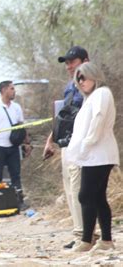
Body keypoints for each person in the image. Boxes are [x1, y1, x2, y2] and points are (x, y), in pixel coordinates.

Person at [64, 62, 119, 252]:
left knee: (85, 194)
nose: (81, 81)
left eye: (84, 77)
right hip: (93, 154)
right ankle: (105, 240)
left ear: (94, 76)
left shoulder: (102, 93)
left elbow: (99, 118)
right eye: (78, 78)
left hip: (99, 153)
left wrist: (87, 143)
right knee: (97, 197)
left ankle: (87, 240)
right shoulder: (90, 97)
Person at [43, 46, 89, 249]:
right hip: (65, 143)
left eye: (73, 61)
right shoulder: (70, 86)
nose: (69, 66)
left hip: (81, 143)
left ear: (85, 61)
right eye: (67, 63)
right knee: (70, 189)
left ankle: (85, 235)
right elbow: (63, 116)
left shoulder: (90, 84)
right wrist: (50, 140)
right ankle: (79, 232)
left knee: (79, 188)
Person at [0, 80, 27, 210]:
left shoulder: (16, 107)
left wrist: (26, 143)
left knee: (16, 175)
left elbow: (21, 126)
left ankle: (19, 201)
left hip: (13, 146)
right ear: (4, 90)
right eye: (12, 89)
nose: (14, 91)